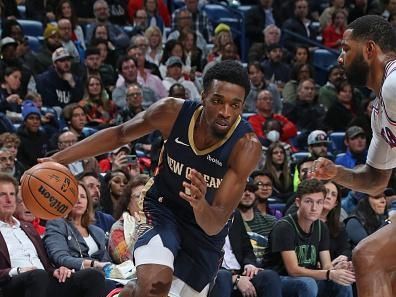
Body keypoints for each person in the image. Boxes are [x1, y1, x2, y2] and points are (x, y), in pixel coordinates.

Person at [41, 60, 261, 297]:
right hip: (162, 209)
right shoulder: (172, 112)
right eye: (217, 101)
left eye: (235, 105)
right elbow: (119, 134)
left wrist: (199, 204)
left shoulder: (245, 147)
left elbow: (215, 222)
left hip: (205, 233)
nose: (225, 112)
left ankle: (129, 293)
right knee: (155, 287)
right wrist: (59, 159)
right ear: (204, 95)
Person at [310, 15, 396, 297]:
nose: (339, 58)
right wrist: (337, 173)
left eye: (346, 49)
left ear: (369, 50)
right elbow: (375, 180)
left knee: (369, 257)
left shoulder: (394, 83)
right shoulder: (380, 112)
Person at [0, 174, 106, 297]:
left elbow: (46, 264)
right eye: (2, 194)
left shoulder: (27, 228)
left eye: (12, 194)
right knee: (38, 275)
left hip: (43, 279)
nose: (9, 199)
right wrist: (16, 271)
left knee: (92, 276)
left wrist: (57, 270)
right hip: (13, 283)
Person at [265, 179, 355, 297]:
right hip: (279, 279)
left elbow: (326, 265)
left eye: (319, 202)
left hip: (309, 278)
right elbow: (293, 270)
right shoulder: (284, 227)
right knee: (307, 283)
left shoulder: (321, 227)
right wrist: (329, 274)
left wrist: (336, 270)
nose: (314, 208)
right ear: (298, 202)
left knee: (343, 283)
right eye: (308, 201)